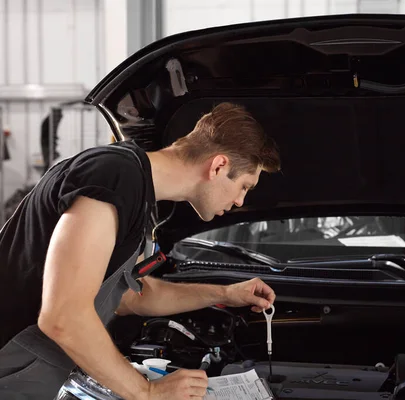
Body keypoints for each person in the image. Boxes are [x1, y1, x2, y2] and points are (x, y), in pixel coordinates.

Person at [0, 102, 281, 399]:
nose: (240, 202)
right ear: (219, 166)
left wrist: (225, 294)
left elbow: (131, 297)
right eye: (245, 186)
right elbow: (64, 317)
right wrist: (147, 392)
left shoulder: (138, 195)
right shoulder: (114, 178)